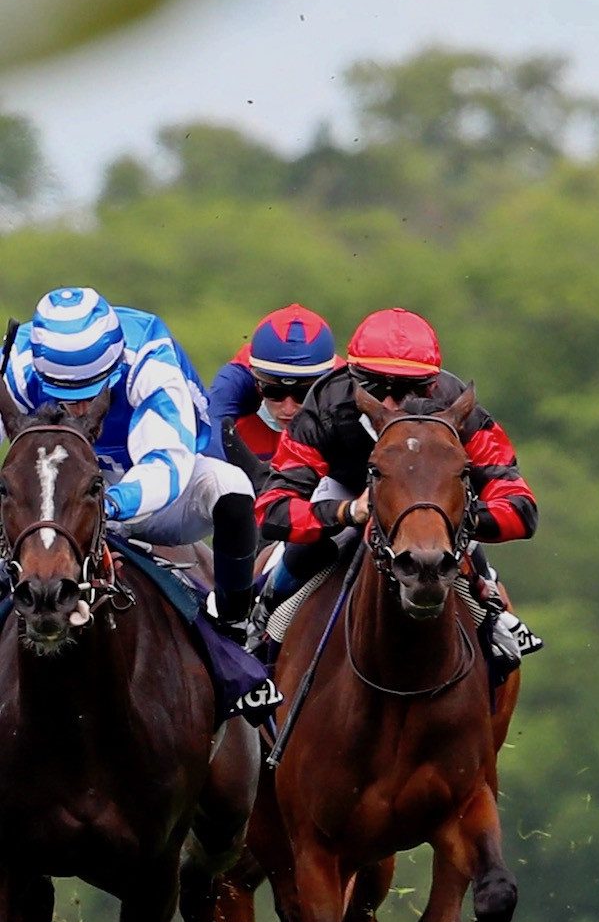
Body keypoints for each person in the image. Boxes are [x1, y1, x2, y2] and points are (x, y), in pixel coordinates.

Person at [253, 307, 541, 670]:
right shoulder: (326, 402)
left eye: (410, 390)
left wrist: (458, 518)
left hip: (431, 502)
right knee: (302, 549)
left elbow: (521, 508)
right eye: (375, 387)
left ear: (432, 386)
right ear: (354, 379)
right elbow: (273, 509)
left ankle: (493, 610)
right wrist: (347, 512)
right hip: (349, 488)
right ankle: (264, 615)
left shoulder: (457, 406)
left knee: (459, 539)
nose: (392, 403)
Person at [4, 286, 257, 638]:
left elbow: (166, 463)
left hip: (159, 496)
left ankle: (234, 621)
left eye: (92, 390)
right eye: (64, 394)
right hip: (66, 498)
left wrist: (106, 504)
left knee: (230, 487)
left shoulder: (150, 355)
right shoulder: (17, 361)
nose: (78, 408)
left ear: (115, 363)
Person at [205, 304, 339, 489]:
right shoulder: (233, 383)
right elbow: (207, 452)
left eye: (303, 393)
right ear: (255, 379)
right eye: (274, 391)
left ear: (324, 384)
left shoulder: (343, 385)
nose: (288, 409)